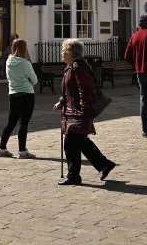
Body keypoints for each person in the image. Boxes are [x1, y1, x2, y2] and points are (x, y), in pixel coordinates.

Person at [55, 39, 116, 186]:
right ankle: (102, 165)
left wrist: (83, 110)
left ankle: (76, 175)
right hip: (73, 111)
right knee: (77, 142)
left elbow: (86, 89)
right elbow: (71, 90)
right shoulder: (72, 66)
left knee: (72, 142)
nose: (61, 53)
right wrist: (62, 102)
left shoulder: (78, 67)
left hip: (78, 112)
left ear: (70, 52)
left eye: (63, 50)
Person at [0, 38, 38, 159]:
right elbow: (35, 80)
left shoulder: (9, 61)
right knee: (23, 123)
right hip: (27, 94)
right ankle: (22, 151)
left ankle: (2, 148)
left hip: (13, 93)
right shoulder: (25, 63)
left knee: (11, 122)